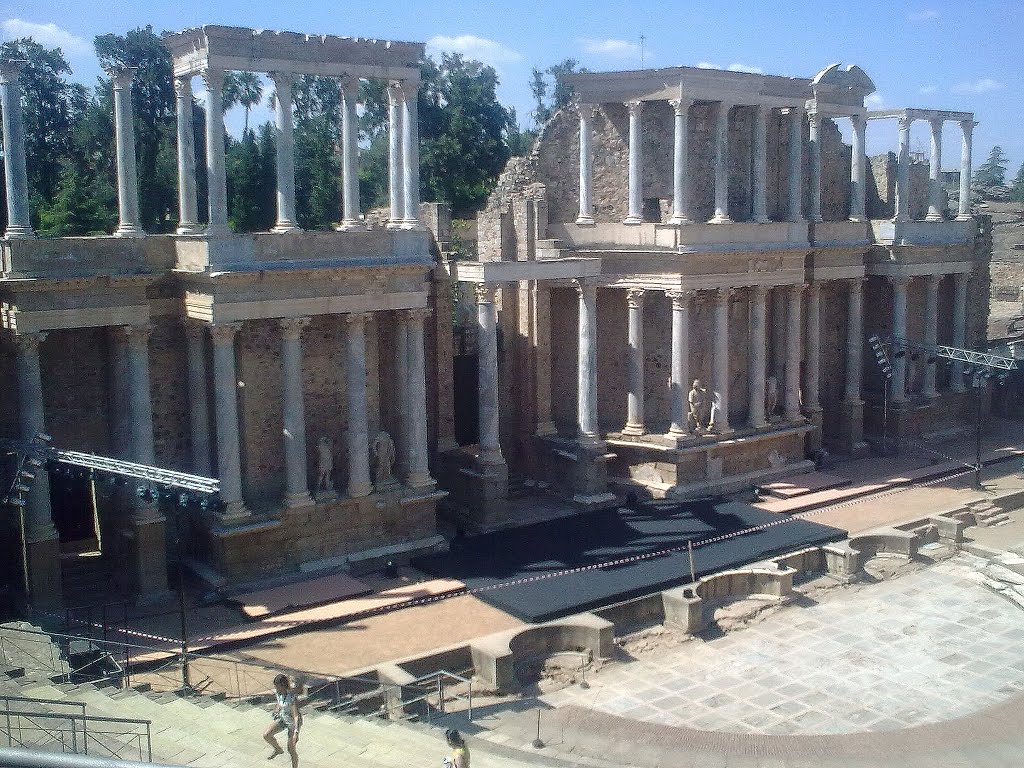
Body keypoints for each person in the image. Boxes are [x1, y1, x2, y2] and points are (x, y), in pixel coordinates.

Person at [264, 674, 301, 768]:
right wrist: (276, 710)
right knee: (266, 735)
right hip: (283, 718)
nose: (276, 689)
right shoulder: (278, 693)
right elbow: (279, 703)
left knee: (291, 749)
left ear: (283, 686)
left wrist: (296, 732)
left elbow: (296, 715)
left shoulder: (291, 697)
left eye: (277, 686)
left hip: (293, 723)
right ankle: (278, 749)